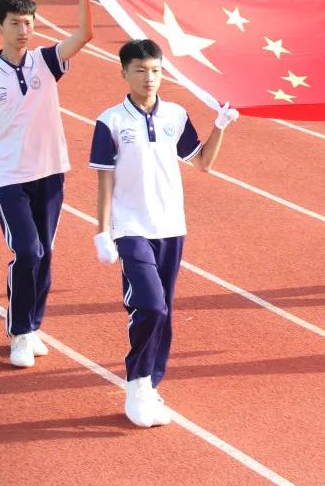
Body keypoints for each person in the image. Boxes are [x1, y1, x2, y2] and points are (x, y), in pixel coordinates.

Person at [90, 39, 237, 428]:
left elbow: (202, 163)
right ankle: (137, 383)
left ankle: (152, 383)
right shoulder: (111, 122)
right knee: (150, 305)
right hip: (131, 228)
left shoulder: (175, 114)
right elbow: (104, 180)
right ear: (124, 72)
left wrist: (219, 127)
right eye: (140, 70)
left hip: (171, 226)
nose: (149, 77)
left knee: (166, 310)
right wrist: (102, 231)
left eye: (155, 70)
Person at [0, 0, 93, 368]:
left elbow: (84, 35)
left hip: (51, 172)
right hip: (10, 178)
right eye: (16, 23)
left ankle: (34, 325)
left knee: (46, 253)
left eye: (30, 22)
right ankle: (19, 333)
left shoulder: (46, 61)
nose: (24, 29)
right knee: (28, 250)